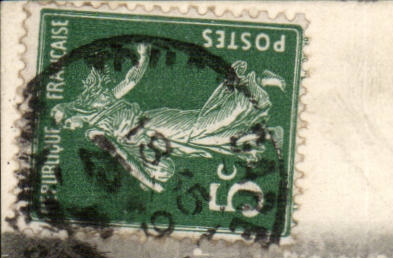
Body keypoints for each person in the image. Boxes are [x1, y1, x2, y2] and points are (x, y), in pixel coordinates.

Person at [54, 42, 284, 192]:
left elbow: (123, 157)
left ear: (72, 112)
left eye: (66, 123)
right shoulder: (95, 121)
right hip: (156, 141)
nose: (70, 128)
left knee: (205, 126)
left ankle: (256, 84)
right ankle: (262, 134)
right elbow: (125, 155)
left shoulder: (97, 120)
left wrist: (143, 56)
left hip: (154, 125)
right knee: (208, 140)